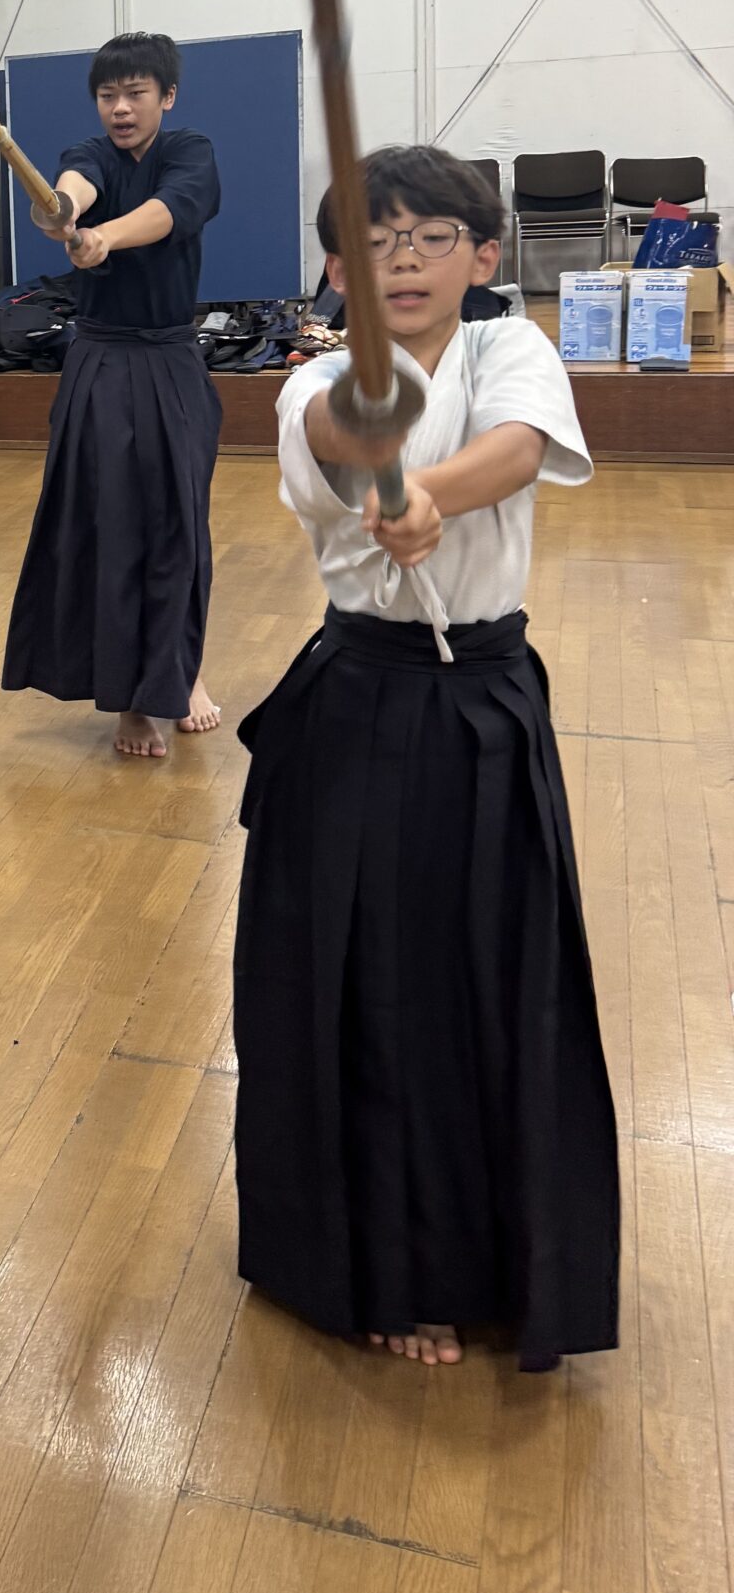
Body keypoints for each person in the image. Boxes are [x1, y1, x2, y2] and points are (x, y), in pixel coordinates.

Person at [233, 146, 618, 1370]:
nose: (403, 258)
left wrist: (433, 492)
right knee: (372, 983)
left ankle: (497, 1250)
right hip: (361, 702)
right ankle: (382, 1264)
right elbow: (336, 433)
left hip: (489, 703)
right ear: (337, 269)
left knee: (491, 973)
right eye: (374, 239)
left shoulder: (513, 349)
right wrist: (374, 449)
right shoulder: (317, 380)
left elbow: (520, 446)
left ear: (483, 255)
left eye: (431, 235)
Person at [2, 32, 222, 757]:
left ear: (167, 96)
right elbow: (77, 183)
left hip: (170, 360)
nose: (121, 108)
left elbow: (171, 209)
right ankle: (131, 699)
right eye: (108, 95)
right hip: (98, 362)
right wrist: (62, 210)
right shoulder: (89, 154)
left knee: (179, 527)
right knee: (110, 527)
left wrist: (105, 239)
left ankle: (181, 672)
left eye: (135, 93)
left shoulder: (190, 152)